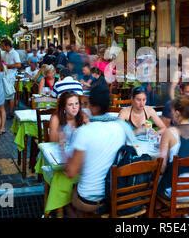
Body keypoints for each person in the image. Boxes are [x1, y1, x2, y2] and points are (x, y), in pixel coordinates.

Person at [65, 84, 134, 216]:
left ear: (93, 106)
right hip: (115, 194)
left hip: (91, 199)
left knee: (66, 200)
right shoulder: (121, 127)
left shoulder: (84, 132)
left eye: (87, 103)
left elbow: (71, 172)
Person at [158, 95, 189, 195]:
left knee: (155, 184)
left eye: (172, 111)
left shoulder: (169, 132)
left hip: (177, 193)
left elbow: (162, 167)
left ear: (177, 113)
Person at [49, 92, 88, 158]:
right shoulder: (56, 118)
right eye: (70, 104)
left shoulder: (83, 115)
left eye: (76, 103)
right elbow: (53, 140)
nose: (74, 107)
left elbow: (90, 135)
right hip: (59, 153)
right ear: (64, 107)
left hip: (77, 153)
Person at [1, 39, 21, 119]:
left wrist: (8, 66)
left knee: (10, 93)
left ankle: (11, 112)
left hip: (11, 76)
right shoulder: (3, 53)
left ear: (7, 45)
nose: (1, 47)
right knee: (5, 93)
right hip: (5, 75)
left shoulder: (14, 53)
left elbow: (19, 65)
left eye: (3, 45)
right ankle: (5, 111)